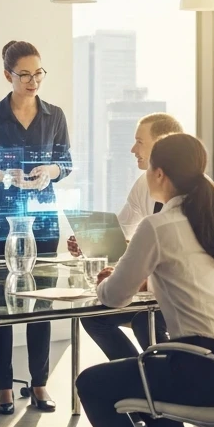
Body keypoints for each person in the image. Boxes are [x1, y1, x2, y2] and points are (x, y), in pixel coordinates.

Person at [75, 133, 214, 427]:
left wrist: (105, 280)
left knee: (93, 384)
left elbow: (114, 297)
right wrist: (152, 281)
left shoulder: (158, 225)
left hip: (196, 370)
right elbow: (197, 274)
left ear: (160, 174)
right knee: (149, 373)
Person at [0, 41, 72, 414]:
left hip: (42, 217)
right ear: (7, 75)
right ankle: (3, 387)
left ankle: (39, 383)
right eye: (25, 75)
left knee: (40, 301)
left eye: (38, 73)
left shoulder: (54, 115)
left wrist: (51, 171)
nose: (33, 81)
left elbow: (66, 162)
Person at [71, 114, 181, 364]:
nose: (133, 149)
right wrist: (90, 241)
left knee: (144, 320)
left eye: (140, 142)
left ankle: (161, 376)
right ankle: (139, 375)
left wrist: (125, 278)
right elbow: (121, 232)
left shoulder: (191, 200)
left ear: (162, 145)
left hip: (175, 301)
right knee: (93, 315)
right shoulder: (144, 183)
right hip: (148, 292)